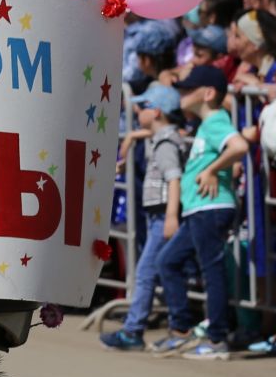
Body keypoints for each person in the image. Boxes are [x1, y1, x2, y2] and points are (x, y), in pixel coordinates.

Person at [151, 65, 248, 359]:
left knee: (211, 271)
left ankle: (217, 339)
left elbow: (239, 145)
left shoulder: (217, 119)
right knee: (168, 262)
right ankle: (181, 330)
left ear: (208, 94)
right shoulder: (207, 124)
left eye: (189, 89)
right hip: (200, 209)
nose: (182, 92)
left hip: (211, 207)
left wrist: (210, 170)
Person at [99, 83, 186, 350]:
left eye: (143, 106)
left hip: (163, 216)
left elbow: (174, 178)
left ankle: (135, 330)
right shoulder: (162, 137)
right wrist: (134, 136)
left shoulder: (165, 143)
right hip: (158, 216)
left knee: (146, 272)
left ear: (157, 111)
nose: (136, 109)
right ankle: (152, 328)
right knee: (150, 270)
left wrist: (171, 215)